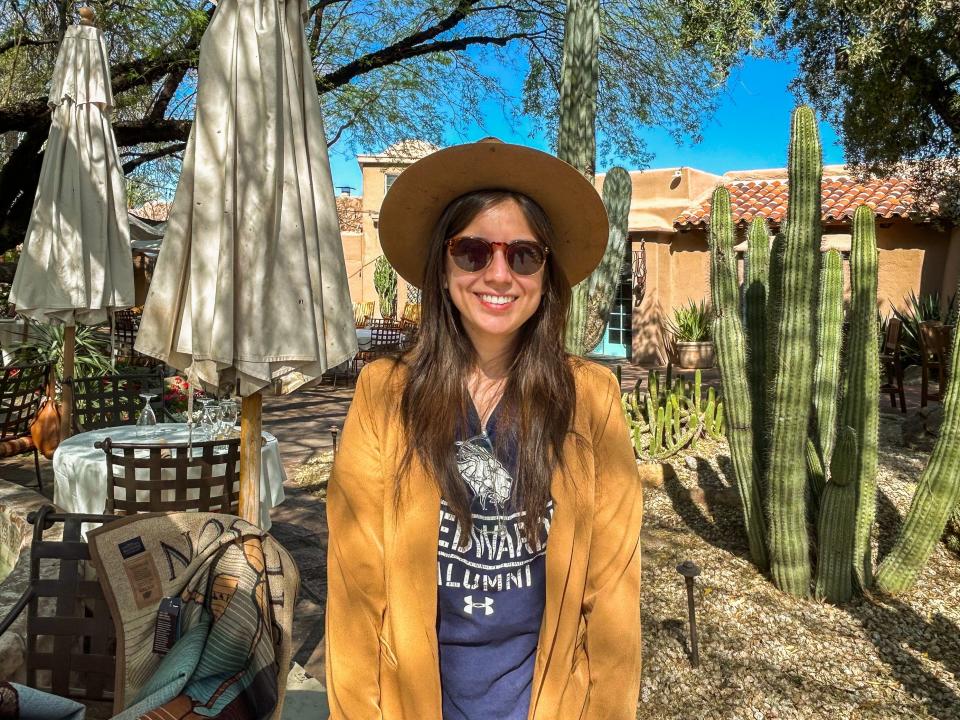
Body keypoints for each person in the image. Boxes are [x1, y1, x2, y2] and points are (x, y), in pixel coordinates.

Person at [325, 139, 642, 720]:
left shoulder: (590, 401)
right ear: (443, 270)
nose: (499, 273)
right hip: (416, 702)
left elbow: (612, 593)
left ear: (546, 276)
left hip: (546, 701)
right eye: (472, 251)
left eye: (523, 255)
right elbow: (356, 590)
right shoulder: (385, 396)